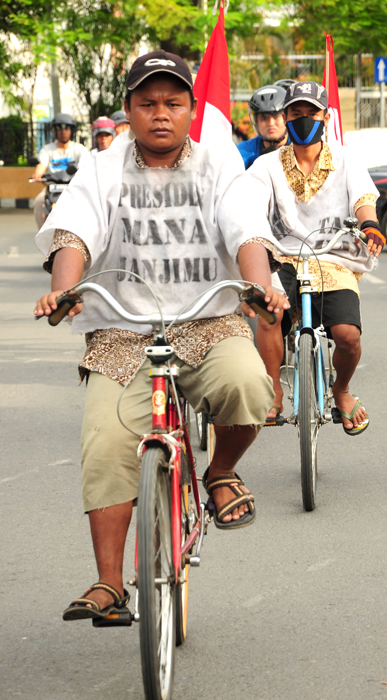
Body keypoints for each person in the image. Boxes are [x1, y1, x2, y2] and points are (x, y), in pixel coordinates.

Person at [34, 49, 288, 620]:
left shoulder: (219, 164)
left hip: (208, 318)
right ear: (128, 110)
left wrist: (257, 286)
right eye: (147, 103)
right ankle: (108, 583)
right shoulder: (101, 169)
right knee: (104, 442)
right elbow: (74, 232)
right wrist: (63, 288)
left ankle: (221, 472)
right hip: (123, 331)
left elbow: (244, 228)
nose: (160, 114)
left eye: (173, 102)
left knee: (249, 385)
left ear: (190, 108)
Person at [229, 81, 385, 432]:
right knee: (269, 313)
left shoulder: (346, 160)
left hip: (334, 258)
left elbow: (363, 198)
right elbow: (249, 207)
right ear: (285, 117)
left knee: (347, 336)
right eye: (295, 114)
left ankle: (341, 390)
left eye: (311, 113)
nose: (303, 120)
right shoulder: (265, 166)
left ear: (325, 116)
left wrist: (370, 225)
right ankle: (273, 392)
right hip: (282, 257)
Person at [32, 113, 88, 229]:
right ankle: (42, 233)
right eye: (59, 128)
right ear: (55, 131)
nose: (63, 131)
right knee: (38, 201)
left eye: (67, 128)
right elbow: (42, 164)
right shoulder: (47, 149)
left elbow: (86, 165)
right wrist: (38, 173)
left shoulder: (79, 149)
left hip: (74, 187)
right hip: (52, 188)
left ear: (72, 131)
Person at [237, 84, 288, 169]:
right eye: (264, 118)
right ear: (255, 121)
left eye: (276, 116)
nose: (271, 123)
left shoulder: (300, 146)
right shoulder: (245, 151)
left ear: (286, 117)